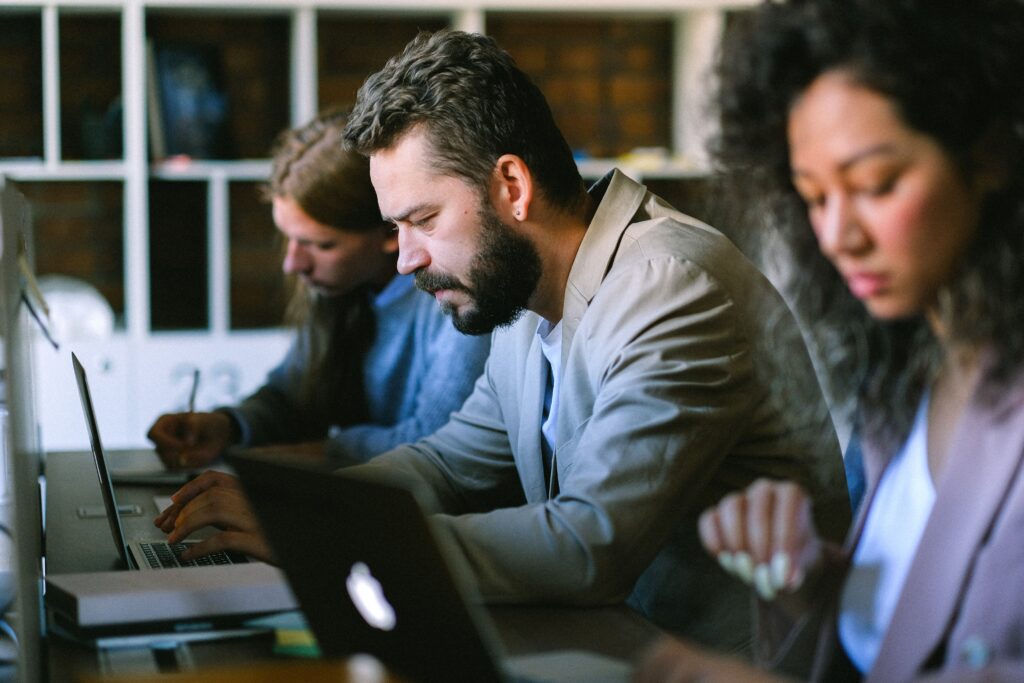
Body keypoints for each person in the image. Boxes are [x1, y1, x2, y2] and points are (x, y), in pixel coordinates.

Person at [155, 30, 849, 647]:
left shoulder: (669, 287)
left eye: (422, 218)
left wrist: (323, 537)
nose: (405, 259)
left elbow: (588, 544)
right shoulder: (527, 295)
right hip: (613, 643)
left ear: (512, 186)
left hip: (718, 666)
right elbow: (450, 462)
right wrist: (301, 510)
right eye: (396, 228)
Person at [635, 0, 1024, 680]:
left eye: (876, 185)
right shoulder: (906, 379)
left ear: (990, 155)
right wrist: (809, 582)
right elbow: (908, 627)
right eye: (814, 197)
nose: (838, 236)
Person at [147, 109, 490, 468]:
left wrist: (319, 454)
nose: (293, 264)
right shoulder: (341, 289)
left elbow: (436, 441)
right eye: (290, 240)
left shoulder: (455, 297)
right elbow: (294, 398)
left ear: (391, 230)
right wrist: (226, 425)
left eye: (320, 245)